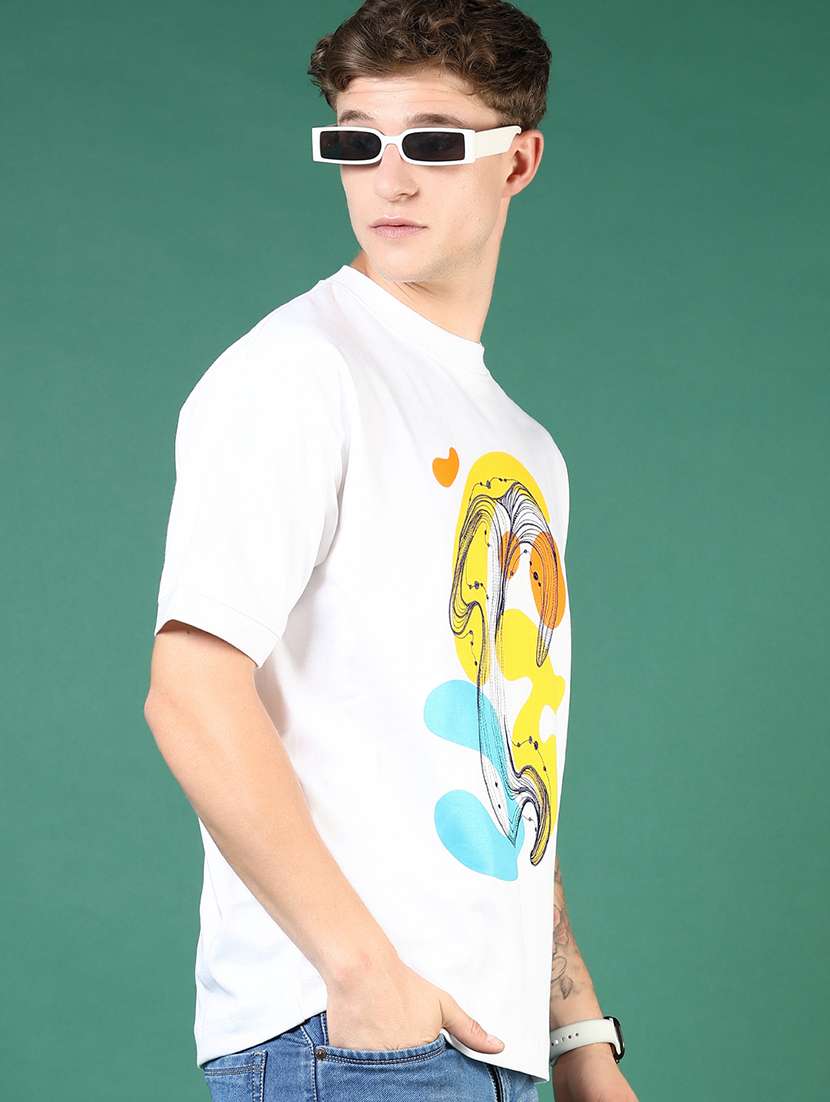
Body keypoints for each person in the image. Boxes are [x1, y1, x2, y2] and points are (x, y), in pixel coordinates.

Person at [145, 2, 639, 1100]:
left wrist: (575, 1039)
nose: (390, 179)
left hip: (495, 1047)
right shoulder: (298, 371)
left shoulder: (526, 449)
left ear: (518, 162)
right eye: (357, 142)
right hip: (353, 1035)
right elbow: (189, 689)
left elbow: (507, 756)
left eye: (432, 141)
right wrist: (363, 975)